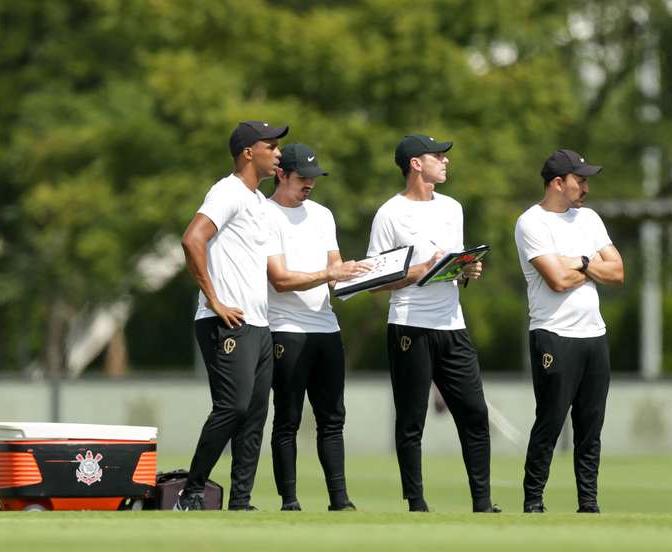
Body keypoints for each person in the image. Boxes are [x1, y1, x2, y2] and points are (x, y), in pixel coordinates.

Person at [366, 135, 500, 513]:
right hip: (410, 325)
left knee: (475, 413)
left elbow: (453, 268)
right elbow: (376, 280)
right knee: (411, 419)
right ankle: (416, 503)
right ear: (415, 164)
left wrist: (468, 269)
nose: (446, 162)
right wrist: (421, 270)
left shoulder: (453, 208)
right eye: (437, 156)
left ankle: (483, 504)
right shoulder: (389, 213)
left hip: (452, 324)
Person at [175, 120, 288, 511]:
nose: (278, 153)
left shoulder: (258, 201)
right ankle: (190, 493)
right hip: (225, 320)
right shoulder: (228, 192)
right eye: (270, 146)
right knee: (233, 407)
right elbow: (192, 239)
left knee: (255, 415)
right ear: (247, 153)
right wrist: (215, 300)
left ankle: (241, 501)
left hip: (258, 324)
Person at [514, 148, 624, 514]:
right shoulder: (531, 223)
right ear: (558, 183)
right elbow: (557, 280)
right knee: (550, 421)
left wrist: (580, 261)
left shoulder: (589, 219)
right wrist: (593, 266)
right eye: (580, 180)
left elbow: (618, 272)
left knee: (590, 427)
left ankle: (588, 504)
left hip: (594, 336)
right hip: (553, 335)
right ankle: (533, 502)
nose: (586, 187)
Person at [265, 143, 369, 512]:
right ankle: (289, 500)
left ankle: (339, 500)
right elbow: (279, 280)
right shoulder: (265, 214)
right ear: (281, 174)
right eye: (302, 177)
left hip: (327, 328)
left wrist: (366, 276)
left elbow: (336, 272)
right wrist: (331, 274)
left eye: (313, 177)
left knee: (332, 418)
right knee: (288, 417)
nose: (309, 183)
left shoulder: (322, 215)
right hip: (285, 329)